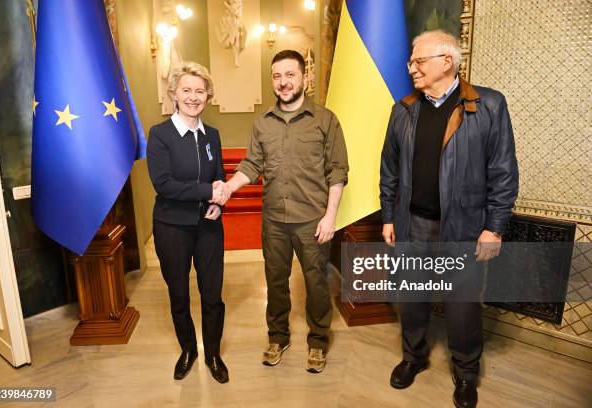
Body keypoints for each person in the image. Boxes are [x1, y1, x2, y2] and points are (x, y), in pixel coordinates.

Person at [379, 30, 518, 408]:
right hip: (414, 225)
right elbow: (389, 168)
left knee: (462, 306)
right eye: (411, 61)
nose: (411, 68)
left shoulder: (487, 105)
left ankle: (466, 372)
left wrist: (494, 228)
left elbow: (503, 172)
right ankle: (413, 358)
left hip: (465, 229)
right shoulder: (403, 109)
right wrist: (389, 215)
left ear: (447, 61)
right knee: (412, 299)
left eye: (418, 61)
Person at [215, 50, 348, 373]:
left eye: (290, 74)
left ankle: (318, 341)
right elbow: (252, 164)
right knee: (275, 281)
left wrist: (330, 216)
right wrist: (229, 188)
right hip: (274, 220)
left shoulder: (325, 120)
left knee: (316, 283)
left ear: (305, 78)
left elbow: (338, 170)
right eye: (277, 76)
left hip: (313, 220)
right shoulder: (263, 123)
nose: (283, 82)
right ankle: (278, 336)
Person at [147, 61, 231, 384]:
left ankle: (211, 352)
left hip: (209, 226)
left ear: (207, 96)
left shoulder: (212, 135)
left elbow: (220, 177)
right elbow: (163, 184)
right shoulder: (160, 135)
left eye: (200, 91)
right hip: (172, 227)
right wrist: (207, 191)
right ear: (174, 94)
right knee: (179, 294)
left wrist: (219, 202)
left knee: (212, 294)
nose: (194, 97)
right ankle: (188, 349)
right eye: (187, 90)